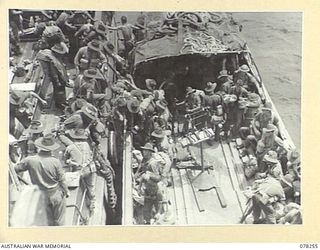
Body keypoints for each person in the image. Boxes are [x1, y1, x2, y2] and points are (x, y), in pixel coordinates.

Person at [14, 133, 69, 226]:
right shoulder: (55, 162)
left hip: (40, 195)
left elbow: (15, 169)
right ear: (51, 149)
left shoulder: (29, 160)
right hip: (55, 194)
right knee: (59, 220)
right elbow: (62, 180)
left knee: (46, 219)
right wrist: (66, 191)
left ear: (40, 147)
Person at [63, 128, 96, 214]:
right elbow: (91, 155)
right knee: (91, 187)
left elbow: (65, 160)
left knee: (63, 180)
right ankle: (92, 203)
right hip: (90, 168)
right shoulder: (86, 145)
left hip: (79, 172)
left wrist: (70, 162)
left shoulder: (70, 147)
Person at [37, 42, 69, 110]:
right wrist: (57, 81)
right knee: (59, 91)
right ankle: (59, 103)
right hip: (56, 77)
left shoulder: (55, 57)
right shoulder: (53, 61)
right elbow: (54, 72)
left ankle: (63, 101)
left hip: (60, 76)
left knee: (62, 89)